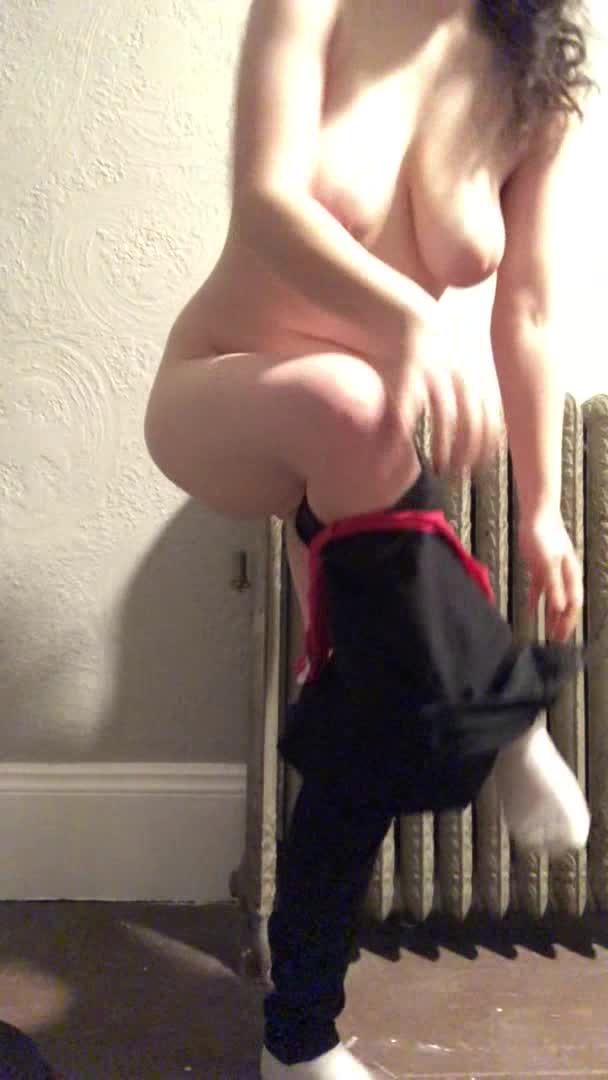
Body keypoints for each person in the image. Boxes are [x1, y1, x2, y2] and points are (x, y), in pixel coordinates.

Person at [144, 2, 597, 1075]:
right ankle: (499, 709)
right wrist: (408, 320)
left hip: (362, 464)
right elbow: (265, 206)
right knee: (356, 399)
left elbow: (528, 312)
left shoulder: (535, 87)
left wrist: (541, 507)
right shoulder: (312, 5)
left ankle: (297, 1038)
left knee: (365, 729)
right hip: (223, 393)